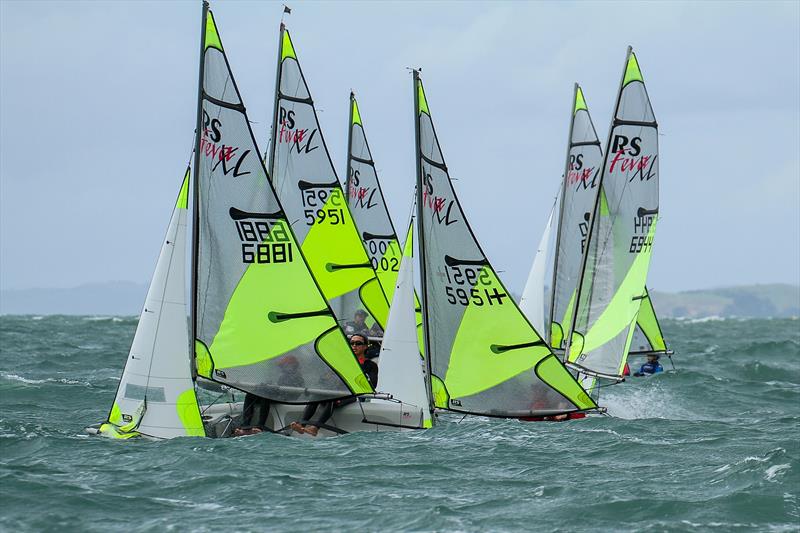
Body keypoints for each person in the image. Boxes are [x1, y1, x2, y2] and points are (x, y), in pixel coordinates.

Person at [291, 333, 378, 436]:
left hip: (352, 395)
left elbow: (373, 384)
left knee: (331, 400)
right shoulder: (342, 362)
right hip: (336, 392)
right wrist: (326, 377)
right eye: (352, 343)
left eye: (358, 343)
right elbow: (322, 380)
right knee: (315, 396)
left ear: (365, 347)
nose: (354, 346)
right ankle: (302, 425)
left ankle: (315, 428)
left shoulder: (371, 365)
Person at [234, 355, 303, 437]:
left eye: (283, 366)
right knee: (250, 394)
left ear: (292, 366)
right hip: (279, 396)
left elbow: (292, 392)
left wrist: (271, 389)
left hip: (286, 398)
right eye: (281, 366)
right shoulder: (283, 376)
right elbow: (279, 388)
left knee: (265, 396)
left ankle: (260, 425)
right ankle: (245, 425)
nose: (282, 368)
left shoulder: (298, 376)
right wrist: (266, 386)